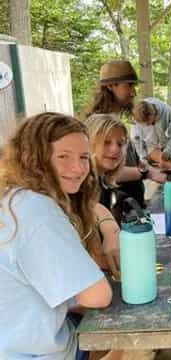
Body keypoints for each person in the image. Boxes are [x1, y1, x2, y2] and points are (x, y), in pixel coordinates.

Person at [0, 112, 112, 359]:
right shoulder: (36, 210)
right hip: (37, 352)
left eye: (84, 157)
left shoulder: (10, 199)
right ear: (34, 158)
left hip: (11, 342)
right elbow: (97, 296)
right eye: (63, 156)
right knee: (132, 343)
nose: (79, 168)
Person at [83, 60, 166, 209]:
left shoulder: (116, 120)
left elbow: (124, 160)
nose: (134, 92)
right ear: (110, 86)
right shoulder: (98, 124)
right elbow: (102, 169)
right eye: (129, 85)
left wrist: (147, 164)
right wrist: (147, 172)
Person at [131, 98, 171, 164]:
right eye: (146, 124)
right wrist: (143, 156)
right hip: (150, 149)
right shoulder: (137, 116)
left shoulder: (169, 113)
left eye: (150, 123)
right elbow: (136, 140)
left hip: (168, 147)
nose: (148, 125)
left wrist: (168, 150)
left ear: (153, 113)